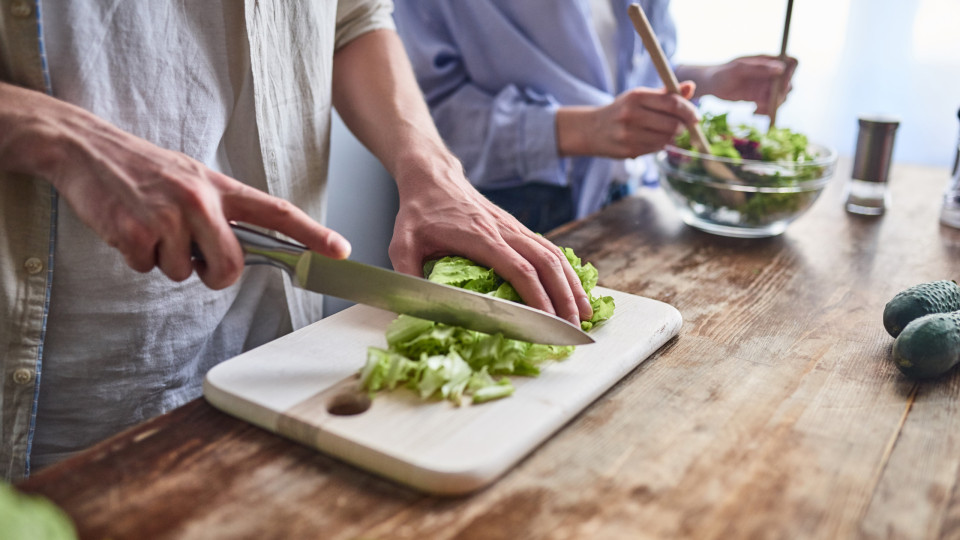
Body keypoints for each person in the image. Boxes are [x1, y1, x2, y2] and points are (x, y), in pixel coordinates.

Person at [0, 1, 593, 481]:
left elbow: (354, 16)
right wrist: (63, 137)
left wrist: (434, 172)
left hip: (278, 354)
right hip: (69, 379)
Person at [394, 0, 798, 232]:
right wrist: (586, 130)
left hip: (624, 203)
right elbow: (427, 119)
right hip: (510, 209)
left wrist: (709, 79)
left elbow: (628, 71)